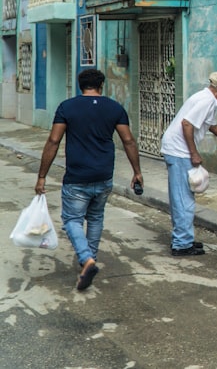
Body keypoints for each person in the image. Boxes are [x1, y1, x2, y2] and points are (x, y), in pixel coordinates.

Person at [34, 68, 143, 291]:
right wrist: (137, 171)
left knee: (72, 219)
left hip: (77, 176)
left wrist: (42, 176)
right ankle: (89, 260)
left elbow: (53, 141)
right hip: (104, 175)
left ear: (79, 85)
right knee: (95, 218)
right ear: (102, 85)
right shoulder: (115, 108)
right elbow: (128, 140)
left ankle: (86, 259)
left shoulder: (67, 107)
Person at [161, 71, 217, 255]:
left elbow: (212, 126)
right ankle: (181, 244)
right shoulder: (207, 100)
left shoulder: (208, 99)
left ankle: (183, 239)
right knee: (183, 198)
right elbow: (187, 124)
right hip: (179, 151)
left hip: (177, 149)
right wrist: (193, 153)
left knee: (183, 197)